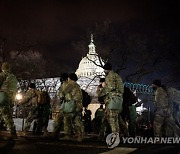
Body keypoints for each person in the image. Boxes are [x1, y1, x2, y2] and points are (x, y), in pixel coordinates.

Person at [97, 63, 124, 135]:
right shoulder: (117, 75)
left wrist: (101, 91)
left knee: (112, 119)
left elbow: (110, 87)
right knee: (112, 118)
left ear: (106, 69)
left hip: (112, 99)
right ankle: (102, 135)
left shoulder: (110, 76)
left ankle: (115, 135)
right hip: (117, 99)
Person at [61, 73, 84, 142]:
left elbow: (63, 93)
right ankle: (80, 135)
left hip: (72, 105)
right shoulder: (77, 85)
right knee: (77, 120)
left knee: (66, 119)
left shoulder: (70, 84)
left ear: (69, 78)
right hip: (78, 105)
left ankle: (67, 135)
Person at [0, 62, 17, 138]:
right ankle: (12, 132)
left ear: (2, 68)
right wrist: (12, 100)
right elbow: (14, 90)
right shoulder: (13, 77)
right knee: (6, 114)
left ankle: (13, 133)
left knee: (6, 115)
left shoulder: (2, 75)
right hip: (9, 98)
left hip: (2, 96)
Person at [53, 73, 68, 139]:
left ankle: (56, 133)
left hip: (65, 105)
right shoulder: (70, 84)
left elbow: (61, 95)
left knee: (59, 119)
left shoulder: (64, 85)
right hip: (69, 105)